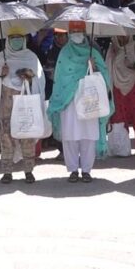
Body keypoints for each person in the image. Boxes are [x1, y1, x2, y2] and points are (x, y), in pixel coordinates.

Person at [47, 21, 113, 183]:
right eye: (74, 31)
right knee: (70, 137)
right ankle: (72, 170)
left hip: (89, 100)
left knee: (88, 137)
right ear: (69, 33)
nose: (77, 34)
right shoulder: (64, 53)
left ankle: (86, 170)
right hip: (68, 101)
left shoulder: (94, 53)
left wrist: (93, 67)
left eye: (80, 31)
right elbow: (61, 77)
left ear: (85, 33)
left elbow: (103, 75)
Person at [0, 26, 46, 184]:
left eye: (19, 37)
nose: (16, 40)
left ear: (25, 39)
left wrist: (29, 76)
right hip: (6, 103)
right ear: (8, 39)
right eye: (13, 37)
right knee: (6, 137)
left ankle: (28, 170)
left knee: (27, 135)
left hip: (25, 102)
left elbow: (40, 80)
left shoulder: (31, 57)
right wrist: (1, 74)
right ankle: (7, 171)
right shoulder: (1, 57)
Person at [106, 35, 135, 156]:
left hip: (134, 86)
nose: (122, 37)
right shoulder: (112, 49)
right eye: (119, 34)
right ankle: (122, 147)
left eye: (125, 34)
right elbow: (107, 68)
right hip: (116, 86)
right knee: (119, 117)